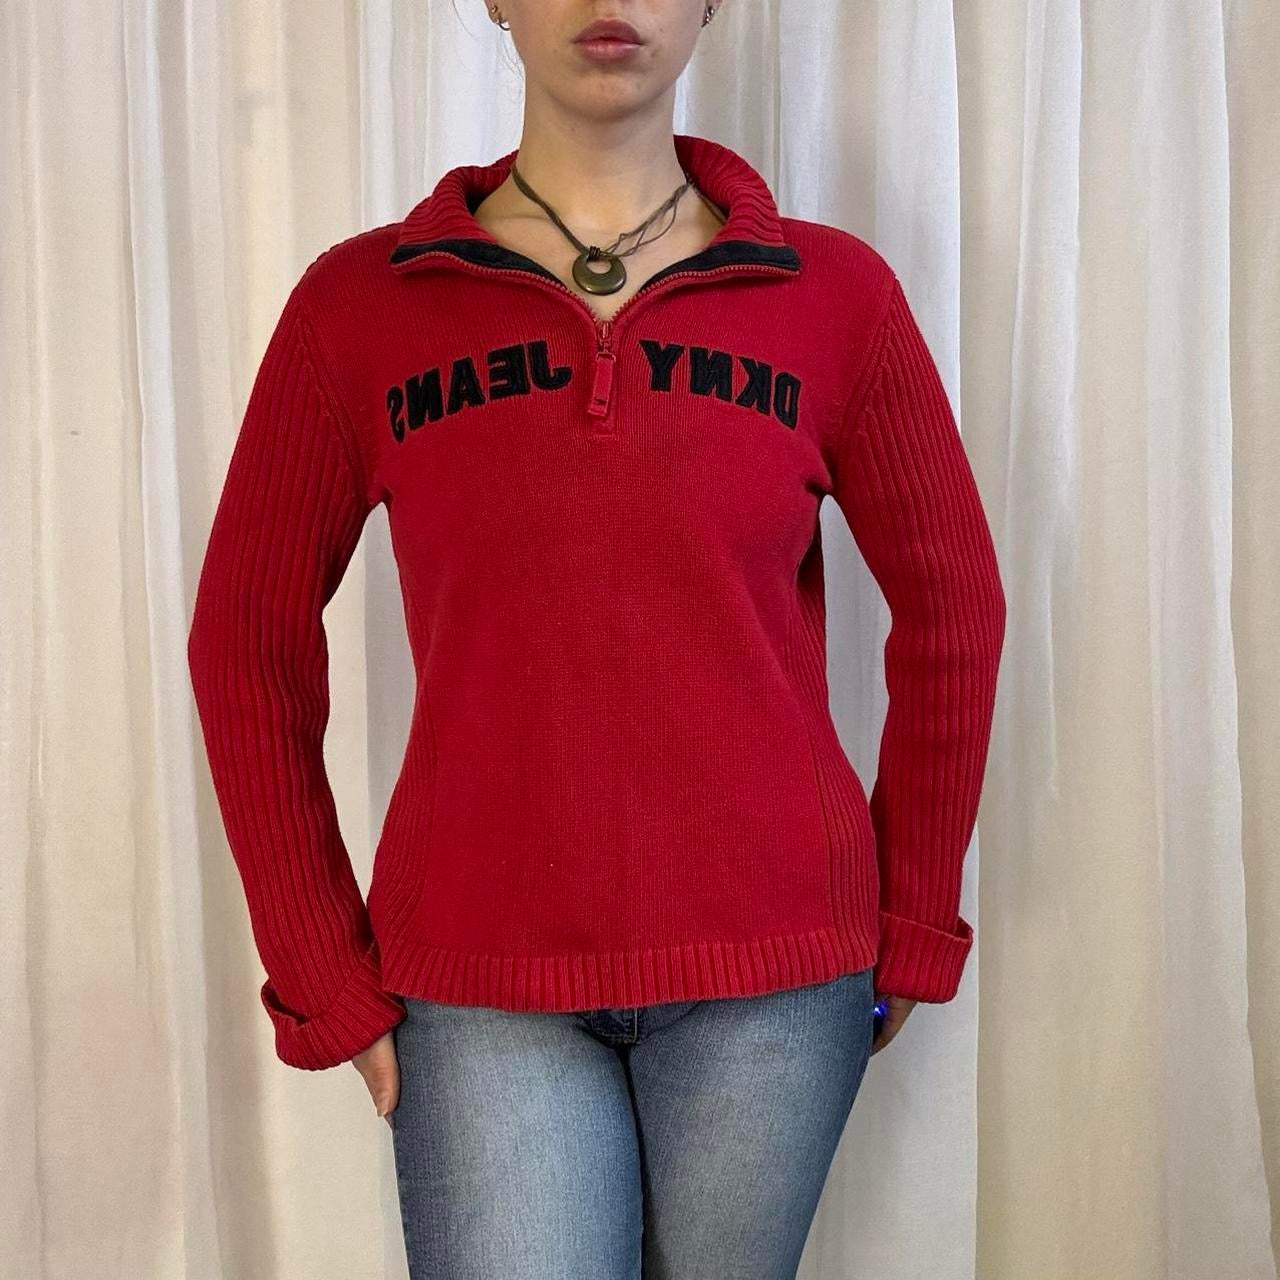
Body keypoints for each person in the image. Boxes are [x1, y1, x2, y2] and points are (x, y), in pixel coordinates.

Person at [185, 1, 1007, 1275]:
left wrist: (914, 913)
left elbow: (954, 603)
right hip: (477, 986)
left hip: (775, 979)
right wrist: (317, 962)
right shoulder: (361, 306)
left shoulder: (832, 297)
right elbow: (246, 635)